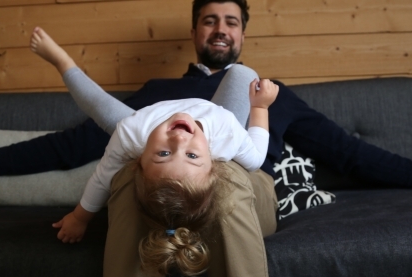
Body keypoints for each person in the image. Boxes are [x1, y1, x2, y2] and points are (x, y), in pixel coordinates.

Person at [0, 0, 412, 277]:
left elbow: (346, 150)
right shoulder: (156, 99)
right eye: (210, 20)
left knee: (230, 174)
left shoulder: (269, 93)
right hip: (157, 194)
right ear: (195, 31)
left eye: (231, 21)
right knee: (133, 171)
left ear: (241, 34)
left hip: (244, 190)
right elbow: (81, 141)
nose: (220, 29)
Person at [29, 27, 278, 262]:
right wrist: (260, 106)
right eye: (192, 156)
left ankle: (62, 62)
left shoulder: (132, 134)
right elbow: (256, 156)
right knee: (243, 74)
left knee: (100, 106)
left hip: (150, 122)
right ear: (214, 162)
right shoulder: (226, 133)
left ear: (140, 158)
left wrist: (79, 217)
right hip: (212, 118)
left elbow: (102, 179)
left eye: (164, 153)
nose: (179, 140)